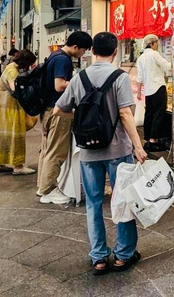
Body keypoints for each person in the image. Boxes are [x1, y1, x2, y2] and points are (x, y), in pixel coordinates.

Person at [53, 32, 147, 275]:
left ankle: (99, 257)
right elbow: (126, 114)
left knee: (93, 204)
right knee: (122, 200)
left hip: (88, 151)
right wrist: (138, 146)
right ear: (115, 52)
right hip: (117, 150)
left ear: (92, 51)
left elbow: (58, 110)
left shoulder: (79, 78)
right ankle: (124, 254)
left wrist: (81, 120)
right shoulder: (120, 77)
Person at [37, 31, 93, 205]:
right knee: (56, 152)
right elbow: (60, 85)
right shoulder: (63, 60)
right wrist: (80, 81)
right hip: (58, 111)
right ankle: (48, 190)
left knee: (47, 150)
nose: (83, 54)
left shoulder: (55, 55)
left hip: (47, 109)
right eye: (83, 50)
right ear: (75, 47)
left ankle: (43, 186)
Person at [0, 49, 37, 175]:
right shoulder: (13, 71)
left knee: (3, 135)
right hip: (11, 107)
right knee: (16, 135)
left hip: (3, 107)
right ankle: (18, 165)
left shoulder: (10, 67)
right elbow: (16, 89)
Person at [136, 34, 171, 151]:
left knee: (149, 114)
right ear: (152, 44)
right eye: (157, 43)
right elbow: (167, 66)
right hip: (158, 87)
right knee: (158, 113)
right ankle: (154, 140)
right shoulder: (154, 54)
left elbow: (139, 77)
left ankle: (147, 139)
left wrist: (139, 92)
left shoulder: (140, 58)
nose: (158, 45)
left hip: (148, 90)